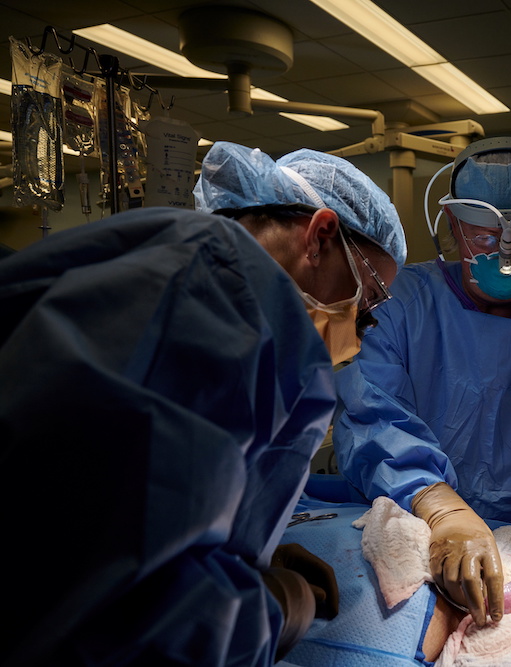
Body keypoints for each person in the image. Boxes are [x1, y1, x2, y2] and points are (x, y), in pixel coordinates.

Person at [0, 141, 405, 665]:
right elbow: (129, 608)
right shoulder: (228, 310)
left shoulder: (178, 254)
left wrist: (241, 557)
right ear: (320, 235)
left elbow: (129, 497)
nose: (361, 327)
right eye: (366, 297)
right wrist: (271, 607)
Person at [332, 136, 511, 628]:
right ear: (453, 225)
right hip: (413, 526)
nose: (507, 252)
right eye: (486, 238)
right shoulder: (398, 306)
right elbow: (373, 421)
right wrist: (443, 512)